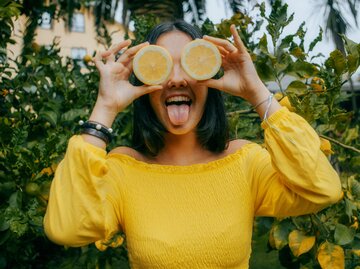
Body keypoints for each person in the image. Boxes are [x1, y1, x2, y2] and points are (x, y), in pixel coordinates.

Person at [44, 21, 342, 268]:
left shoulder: (245, 162)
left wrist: (257, 92)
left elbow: (322, 188)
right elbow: (67, 227)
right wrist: (105, 107)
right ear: (145, 82)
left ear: (208, 74)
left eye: (189, 63)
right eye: (161, 65)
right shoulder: (123, 170)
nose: (175, 79)